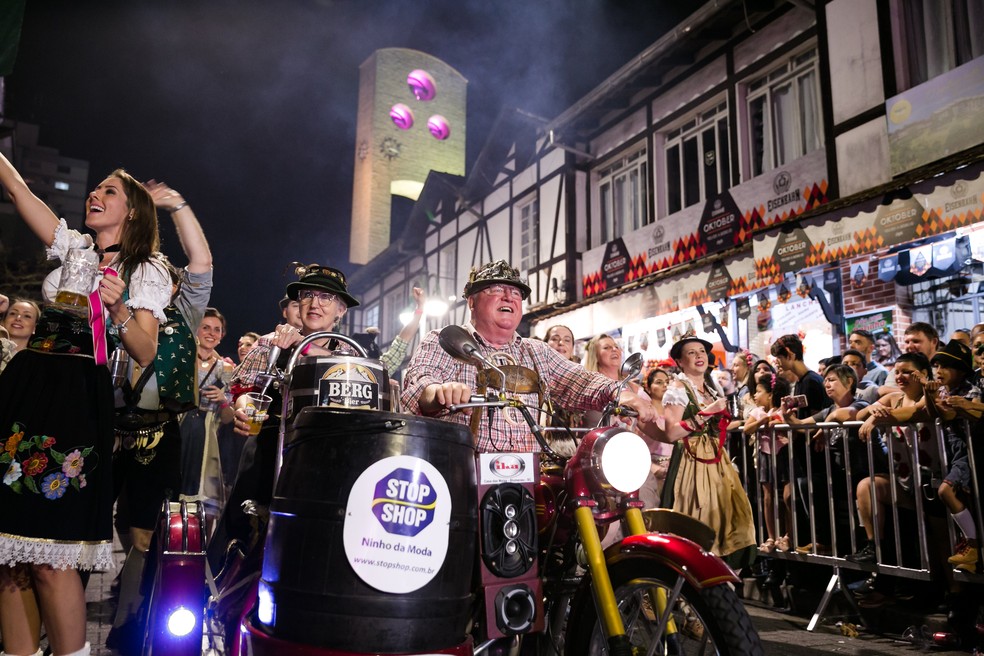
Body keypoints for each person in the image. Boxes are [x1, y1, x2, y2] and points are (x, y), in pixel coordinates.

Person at [0, 152, 167, 656]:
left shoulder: (146, 269)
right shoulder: (72, 244)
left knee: (53, 552)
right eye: (94, 189)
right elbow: (16, 190)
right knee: (9, 554)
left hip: (76, 398)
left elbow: (144, 351)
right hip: (27, 387)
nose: (94, 195)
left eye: (108, 191)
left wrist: (117, 307)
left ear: (133, 211)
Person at [402, 260, 654, 453]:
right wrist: (438, 392)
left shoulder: (536, 350)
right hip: (462, 468)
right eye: (496, 289)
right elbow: (417, 387)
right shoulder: (444, 339)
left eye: (516, 293)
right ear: (471, 301)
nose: (508, 296)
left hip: (528, 473)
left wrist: (621, 392)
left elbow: (579, 380)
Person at [211, 265, 360, 571]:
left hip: (327, 460)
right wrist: (242, 406)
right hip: (269, 450)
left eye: (325, 297)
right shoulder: (269, 343)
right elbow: (243, 390)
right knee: (242, 529)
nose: (315, 303)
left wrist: (303, 346)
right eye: (307, 295)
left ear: (341, 310)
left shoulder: (350, 353)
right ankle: (221, 600)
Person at [650, 335, 757, 568]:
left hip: (716, 458)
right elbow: (672, 433)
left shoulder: (710, 387)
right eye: (691, 352)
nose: (698, 356)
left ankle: (718, 573)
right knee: (698, 516)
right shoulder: (677, 389)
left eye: (701, 351)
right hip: (691, 460)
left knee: (728, 513)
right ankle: (692, 573)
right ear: (679, 361)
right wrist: (704, 414)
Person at [850, 353, 932, 563]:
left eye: (907, 371)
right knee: (866, 486)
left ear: (923, 374)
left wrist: (877, 418)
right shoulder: (893, 398)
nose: (900, 376)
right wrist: (871, 409)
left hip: (930, 480)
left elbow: (914, 412)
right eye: (897, 372)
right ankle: (874, 547)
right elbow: (858, 416)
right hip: (902, 479)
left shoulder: (929, 396)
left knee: (936, 540)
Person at [786, 364, 870, 555]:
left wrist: (825, 425)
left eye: (831, 380)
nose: (826, 384)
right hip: (839, 473)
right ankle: (823, 540)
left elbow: (846, 414)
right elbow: (799, 425)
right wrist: (787, 414)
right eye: (825, 381)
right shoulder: (829, 409)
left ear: (849, 382)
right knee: (806, 483)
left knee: (812, 483)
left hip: (861, 472)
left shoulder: (861, 403)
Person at [923, 340, 981, 571]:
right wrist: (929, 396)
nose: (939, 372)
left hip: (970, 453)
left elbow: (956, 415)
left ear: (961, 370)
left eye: (946, 367)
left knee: (946, 490)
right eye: (937, 367)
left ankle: (973, 545)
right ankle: (971, 551)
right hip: (955, 453)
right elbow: (936, 414)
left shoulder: (971, 389)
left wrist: (961, 406)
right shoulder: (946, 390)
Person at [743, 372, 791, 553]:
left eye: (759, 391)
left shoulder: (782, 410)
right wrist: (762, 420)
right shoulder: (757, 412)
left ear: (771, 394)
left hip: (784, 454)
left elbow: (790, 424)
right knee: (768, 496)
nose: (755, 395)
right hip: (765, 454)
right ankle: (771, 536)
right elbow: (747, 429)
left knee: (787, 496)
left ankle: (788, 535)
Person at [0, 298, 40, 374]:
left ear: (35, 328)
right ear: (3, 321)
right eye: (12, 313)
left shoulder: (34, 364)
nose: (18, 318)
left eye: (27, 316)